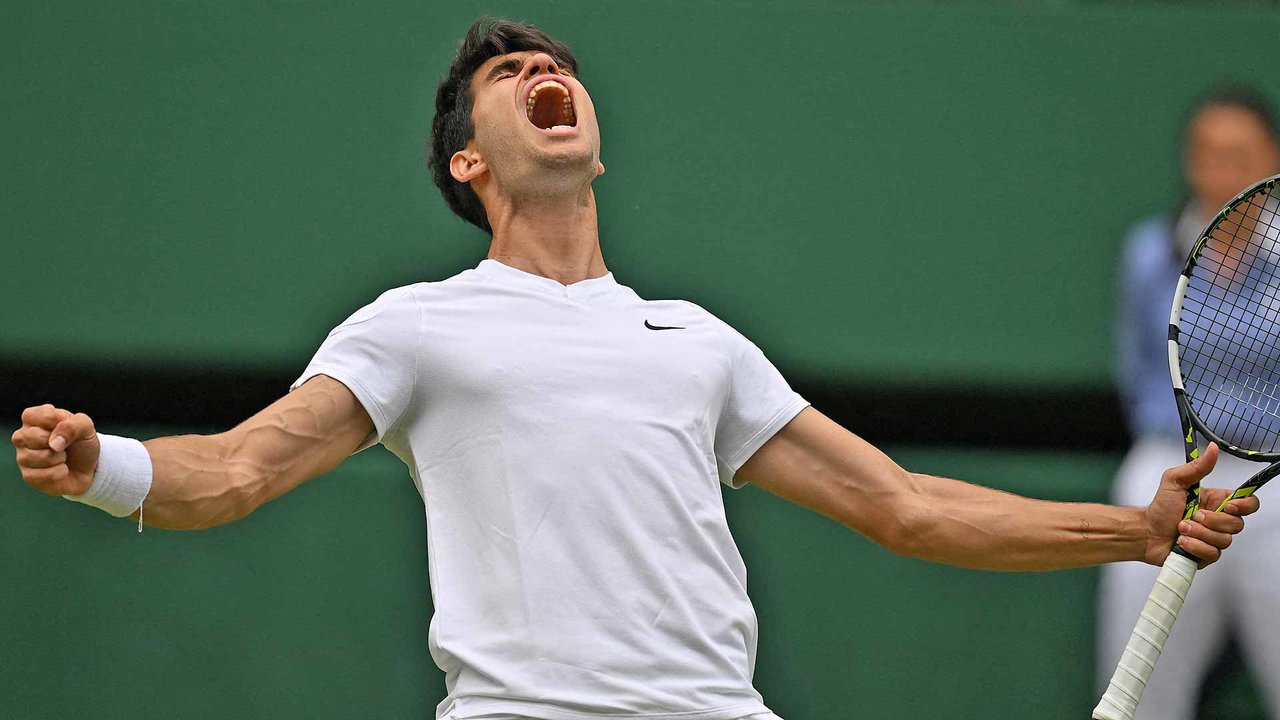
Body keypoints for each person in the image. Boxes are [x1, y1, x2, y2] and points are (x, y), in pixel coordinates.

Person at [11, 18, 1259, 720]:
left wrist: (1134, 533)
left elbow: (904, 504)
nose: (544, 74)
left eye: (552, 65)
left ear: (592, 144)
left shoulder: (699, 345)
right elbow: (234, 470)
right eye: (508, 76)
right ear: (469, 165)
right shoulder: (411, 326)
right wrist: (103, 468)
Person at [1100, 87, 1280, 720]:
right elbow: (1139, 370)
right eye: (1206, 152)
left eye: (1239, 152)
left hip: (1275, 480)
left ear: (1271, 158)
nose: (1221, 167)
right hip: (1168, 465)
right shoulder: (1149, 253)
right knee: (1140, 687)